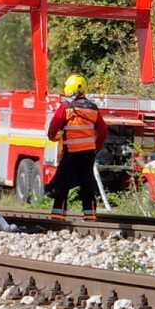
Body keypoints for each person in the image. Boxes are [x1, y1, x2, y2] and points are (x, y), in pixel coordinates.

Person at [45, 74, 107, 222]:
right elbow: (103, 130)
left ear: (70, 89)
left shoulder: (66, 107)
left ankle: (58, 214)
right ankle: (90, 214)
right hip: (88, 153)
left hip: (71, 152)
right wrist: (95, 147)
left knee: (62, 181)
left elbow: (53, 128)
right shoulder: (93, 108)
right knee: (87, 181)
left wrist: (53, 137)